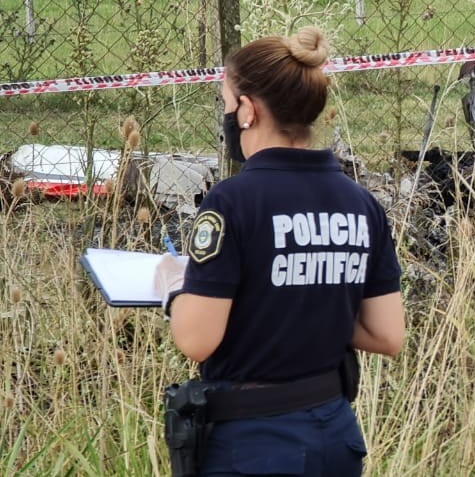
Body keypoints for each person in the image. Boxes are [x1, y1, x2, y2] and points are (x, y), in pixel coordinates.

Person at [153, 26, 405, 476]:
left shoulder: (232, 203)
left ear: (248, 111)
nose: (228, 115)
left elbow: (195, 339)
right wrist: (309, 305)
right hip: (335, 435)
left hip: (252, 445)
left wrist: (175, 289)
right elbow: (388, 335)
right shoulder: (361, 203)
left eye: (227, 103)